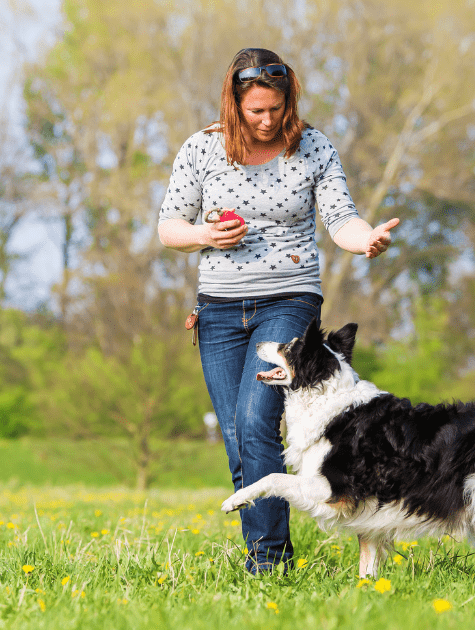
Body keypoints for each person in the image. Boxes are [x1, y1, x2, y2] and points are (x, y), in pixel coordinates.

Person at [158, 47, 398, 573]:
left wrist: (365, 241)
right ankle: (268, 553)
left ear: (289, 101)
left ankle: (267, 562)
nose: (267, 121)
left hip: (289, 299)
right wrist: (205, 234)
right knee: (237, 436)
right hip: (218, 310)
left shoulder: (313, 146)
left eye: (276, 109)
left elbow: (341, 216)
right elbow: (168, 226)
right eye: (255, 111)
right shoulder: (202, 149)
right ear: (234, 104)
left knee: (256, 420)